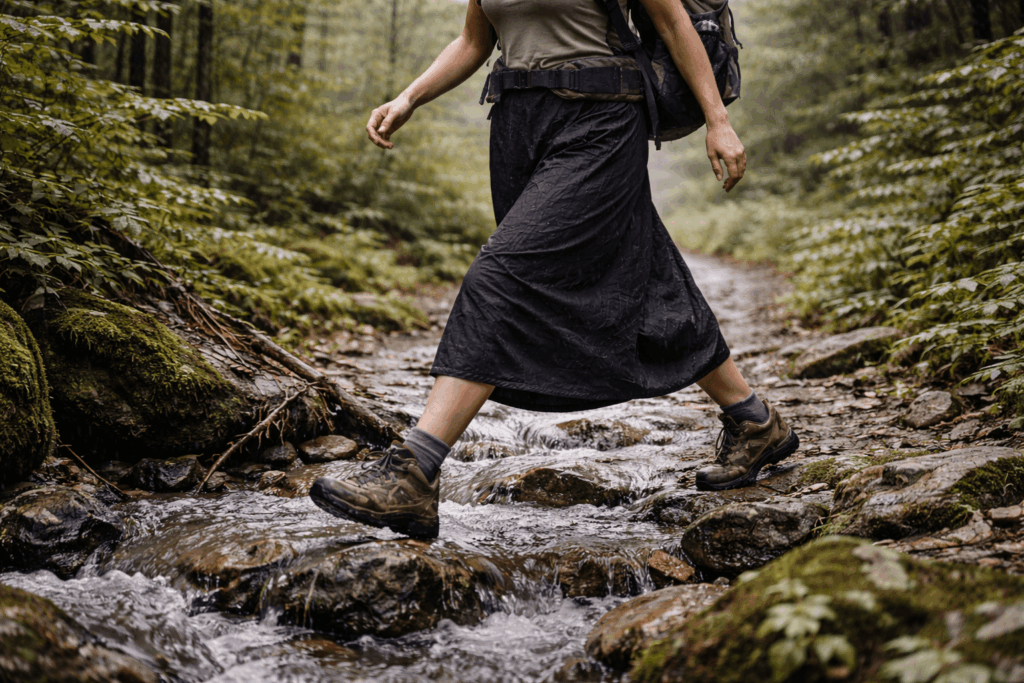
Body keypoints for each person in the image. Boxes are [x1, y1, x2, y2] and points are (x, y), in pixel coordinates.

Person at [309, 0, 799, 539]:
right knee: (649, 273)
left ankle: (413, 471)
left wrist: (718, 120)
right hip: (518, 125)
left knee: (502, 277)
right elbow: (474, 42)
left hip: (602, 119)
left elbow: (673, 21)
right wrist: (409, 97)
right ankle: (755, 421)